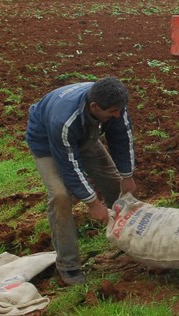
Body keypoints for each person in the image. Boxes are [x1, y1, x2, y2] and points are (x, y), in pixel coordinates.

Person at [25, 77, 137, 285]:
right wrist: (92, 203)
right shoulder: (65, 120)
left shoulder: (114, 105)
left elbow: (122, 139)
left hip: (84, 136)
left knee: (115, 184)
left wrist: (127, 176)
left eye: (119, 110)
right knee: (60, 197)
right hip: (48, 143)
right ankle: (68, 265)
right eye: (112, 111)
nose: (118, 115)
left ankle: (128, 245)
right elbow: (69, 165)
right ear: (94, 107)